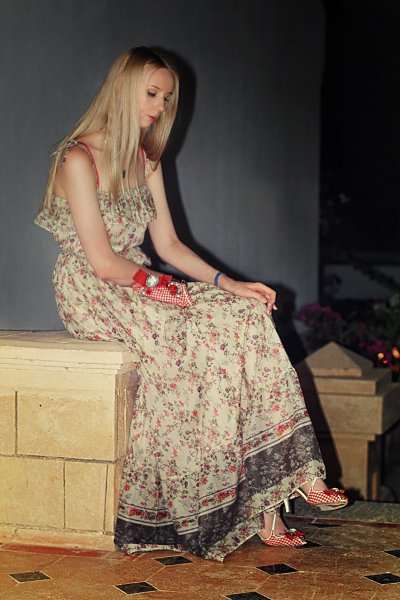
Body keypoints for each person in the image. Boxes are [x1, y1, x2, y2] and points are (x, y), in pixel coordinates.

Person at [35, 46, 348, 562]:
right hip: (94, 288)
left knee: (245, 312)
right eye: (152, 93)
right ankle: (257, 505)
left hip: (139, 281)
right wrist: (168, 290)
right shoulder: (77, 158)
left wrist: (230, 283)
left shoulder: (147, 159)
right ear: (122, 89)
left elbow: (170, 246)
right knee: (204, 336)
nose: (160, 107)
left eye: (166, 98)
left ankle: (284, 491)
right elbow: (103, 263)